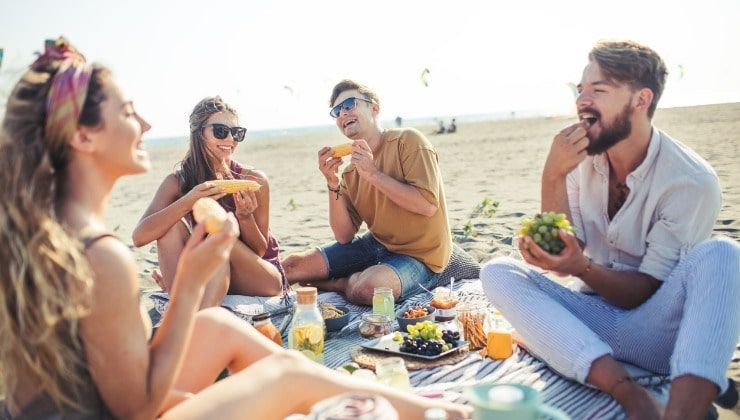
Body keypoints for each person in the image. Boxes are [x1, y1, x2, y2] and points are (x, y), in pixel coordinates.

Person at [0, 38, 471, 420]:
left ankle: (424, 409)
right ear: (82, 137)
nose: (145, 123)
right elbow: (136, 407)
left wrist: (240, 225)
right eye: (128, 113)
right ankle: (444, 415)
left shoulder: (47, 228)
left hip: (82, 402)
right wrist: (187, 285)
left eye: (234, 132)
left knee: (221, 326)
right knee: (285, 377)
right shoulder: (104, 257)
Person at [480, 40, 740, 419]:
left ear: (641, 99)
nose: (582, 100)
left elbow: (640, 294)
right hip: (592, 313)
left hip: (656, 332)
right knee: (497, 272)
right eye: (581, 89)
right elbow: (561, 254)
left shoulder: (690, 181)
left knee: (723, 254)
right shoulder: (579, 160)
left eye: (598, 90)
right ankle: (631, 394)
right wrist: (552, 174)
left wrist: (580, 267)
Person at [282, 79, 453, 305]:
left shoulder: (409, 141)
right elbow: (344, 235)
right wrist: (332, 181)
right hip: (378, 244)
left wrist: (372, 174)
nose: (343, 113)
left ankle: (340, 283)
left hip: (422, 255)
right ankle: (351, 276)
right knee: (290, 266)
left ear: (375, 108)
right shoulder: (351, 172)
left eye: (350, 104)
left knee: (369, 289)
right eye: (337, 111)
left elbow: (427, 205)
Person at [132, 96, 284, 308]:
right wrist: (189, 199)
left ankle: (192, 306)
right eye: (221, 131)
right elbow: (140, 237)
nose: (230, 139)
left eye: (237, 133)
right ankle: (186, 304)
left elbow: (259, 251)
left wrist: (245, 217)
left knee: (219, 237)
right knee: (169, 227)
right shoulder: (177, 182)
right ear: (199, 133)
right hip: (212, 273)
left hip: (262, 278)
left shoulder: (253, 179)